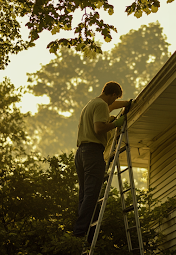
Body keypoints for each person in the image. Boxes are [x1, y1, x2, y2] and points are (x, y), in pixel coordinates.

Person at [73, 81, 131, 241]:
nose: (114, 102)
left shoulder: (92, 104)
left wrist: (127, 103)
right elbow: (99, 128)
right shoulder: (101, 105)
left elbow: (110, 108)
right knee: (92, 193)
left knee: (85, 194)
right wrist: (114, 124)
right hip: (92, 152)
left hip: (81, 153)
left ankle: (84, 232)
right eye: (115, 98)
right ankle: (80, 232)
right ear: (112, 94)